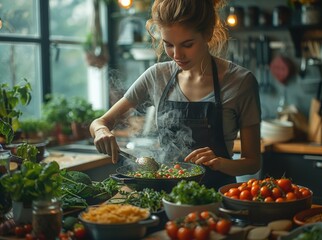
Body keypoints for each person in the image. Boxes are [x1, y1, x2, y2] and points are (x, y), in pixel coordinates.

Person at [89, 0, 261, 189]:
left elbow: (252, 163)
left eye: (187, 44)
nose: (177, 54)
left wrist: (220, 163)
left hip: (217, 199)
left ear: (208, 33)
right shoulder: (157, 76)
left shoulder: (241, 82)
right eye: (168, 44)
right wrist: (101, 131)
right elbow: (100, 122)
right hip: (166, 196)